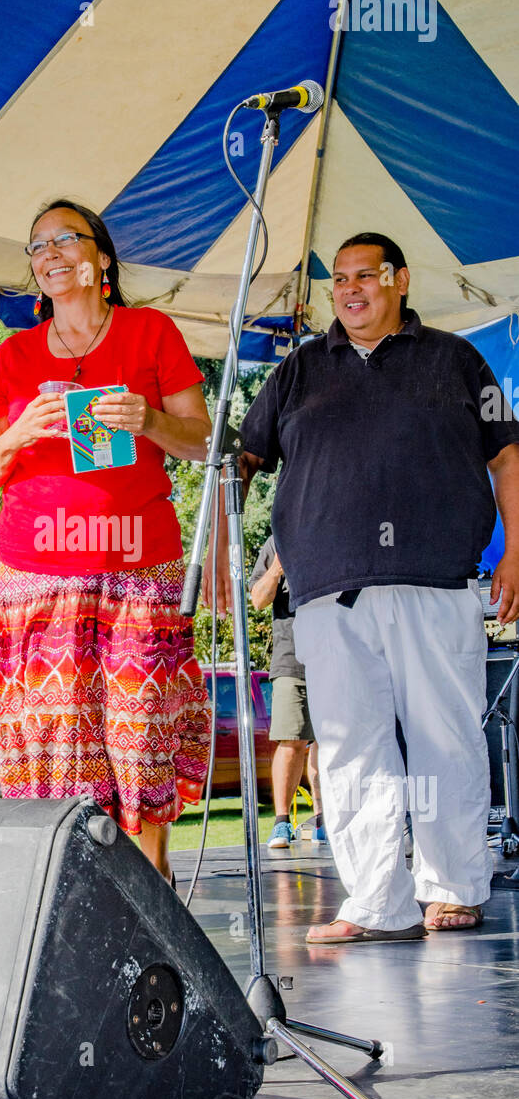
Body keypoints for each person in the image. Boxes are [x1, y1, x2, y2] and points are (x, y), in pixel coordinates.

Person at [208, 233, 519, 940]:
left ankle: (453, 888)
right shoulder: (297, 370)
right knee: (350, 748)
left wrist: (516, 555)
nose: (349, 289)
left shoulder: (453, 358)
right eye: (337, 279)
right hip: (325, 590)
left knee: (443, 738)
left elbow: (507, 456)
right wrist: (224, 553)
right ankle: (376, 903)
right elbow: (243, 459)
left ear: (399, 280)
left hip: (434, 580)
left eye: (365, 275)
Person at [0, 199, 212, 882]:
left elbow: (203, 443)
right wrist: (23, 431)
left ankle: (155, 889)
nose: (47, 252)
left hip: (138, 570)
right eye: (36, 244)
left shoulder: (149, 332)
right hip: (37, 579)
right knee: (56, 742)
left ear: (101, 258)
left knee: (141, 732)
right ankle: (69, 890)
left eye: (64, 239)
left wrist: (150, 419)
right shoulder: (13, 357)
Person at [249, 534, 323, 847]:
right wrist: (278, 568)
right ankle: (282, 822)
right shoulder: (276, 543)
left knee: (329, 741)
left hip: (337, 653)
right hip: (292, 658)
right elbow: (258, 599)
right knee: (291, 739)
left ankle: (324, 819)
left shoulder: (332, 530)